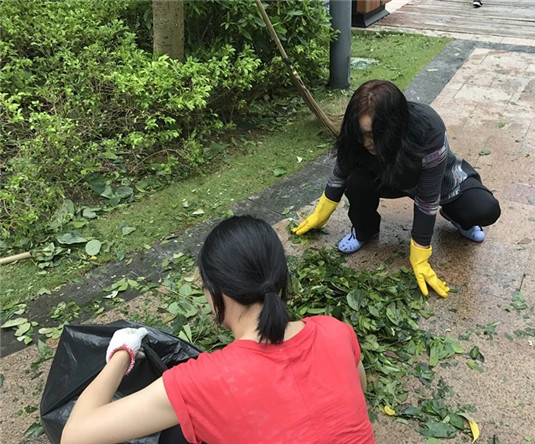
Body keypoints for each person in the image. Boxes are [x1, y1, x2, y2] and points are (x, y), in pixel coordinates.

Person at [61, 215, 374, 444]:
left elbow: (75, 436)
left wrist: (123, 353)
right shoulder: (336, 331)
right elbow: (358, 389)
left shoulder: (207, 381)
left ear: (216, 295)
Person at [293, 80, 500, 298]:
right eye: (361, 133)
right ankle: (366, 229)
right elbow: (343, 165)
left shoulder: (429, 130)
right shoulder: (359, 136)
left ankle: (455, 215)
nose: (366, 142)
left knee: (485, 209)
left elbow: (427, 198)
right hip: (390, 178)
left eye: (373, 135)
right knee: (356, 180)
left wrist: (420, 252)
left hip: (438, 181)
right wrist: (323, 208)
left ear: (394, 126)